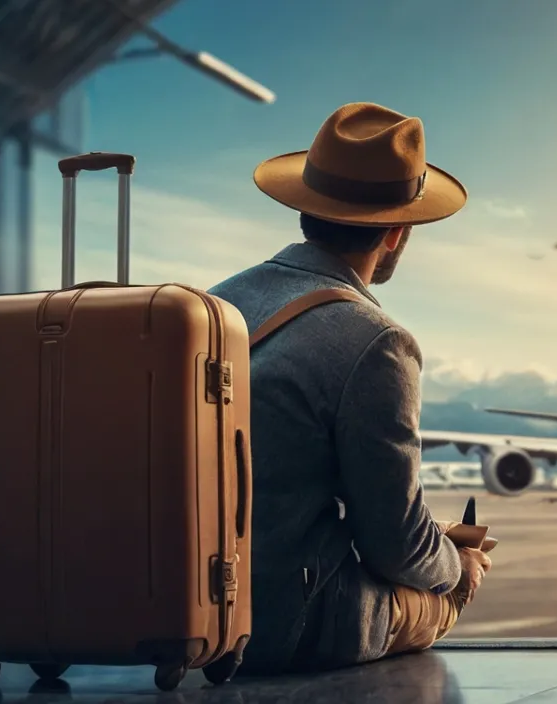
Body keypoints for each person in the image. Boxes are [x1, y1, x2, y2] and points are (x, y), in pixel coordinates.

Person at [207, 102, 492, 675]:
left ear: (306, 209)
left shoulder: (214, 305)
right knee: (435, 591)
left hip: (184, 614)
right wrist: (458, 566)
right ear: (397, 231)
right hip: (282, 626)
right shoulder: (376, 342)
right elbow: (397, 547)